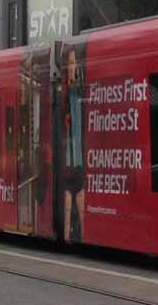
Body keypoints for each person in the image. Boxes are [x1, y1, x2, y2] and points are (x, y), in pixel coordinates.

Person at [63, 47, 85, 243]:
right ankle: (67, 234)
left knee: (77, 194)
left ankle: (81, 234)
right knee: (70, 196)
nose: (73, 66)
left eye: (74, 62)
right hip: (68, 158)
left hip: (77, 157)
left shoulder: (78, 91)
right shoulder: (64, 92)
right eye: (70, 62)